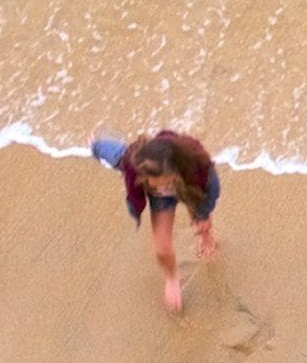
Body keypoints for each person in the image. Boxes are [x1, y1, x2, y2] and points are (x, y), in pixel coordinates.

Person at [93, 129, 223, 312]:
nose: (148, 183)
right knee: (161, 248)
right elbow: (114, 152)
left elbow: (211, 190)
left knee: (202, 223)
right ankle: (172, 278)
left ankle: (205, 235)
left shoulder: (198, 166)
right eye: (144, 177)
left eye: (153, 179)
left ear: (173, 172)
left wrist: (202, 215)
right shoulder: (136, 163)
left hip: (191, 188)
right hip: (161, 199)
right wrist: (95, 146)